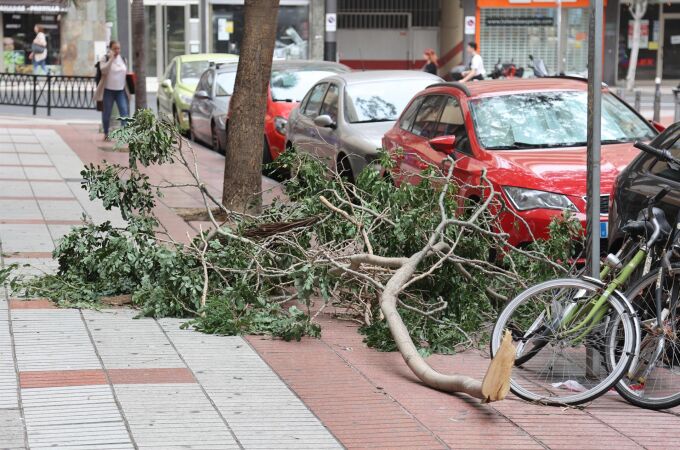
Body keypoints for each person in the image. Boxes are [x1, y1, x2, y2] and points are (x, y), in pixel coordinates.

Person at [95, 40, 130, 140]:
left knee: (124, 111)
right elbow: (103, 70)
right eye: (114, 48)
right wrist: (110, 59)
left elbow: (125, 73)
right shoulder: (104, 58)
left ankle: (124, 134)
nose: (117, 50)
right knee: (107, 113)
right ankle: (106, 133)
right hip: (108, 91)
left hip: (120, 90)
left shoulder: (123, 59)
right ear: (110, 49)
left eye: (118, 48)